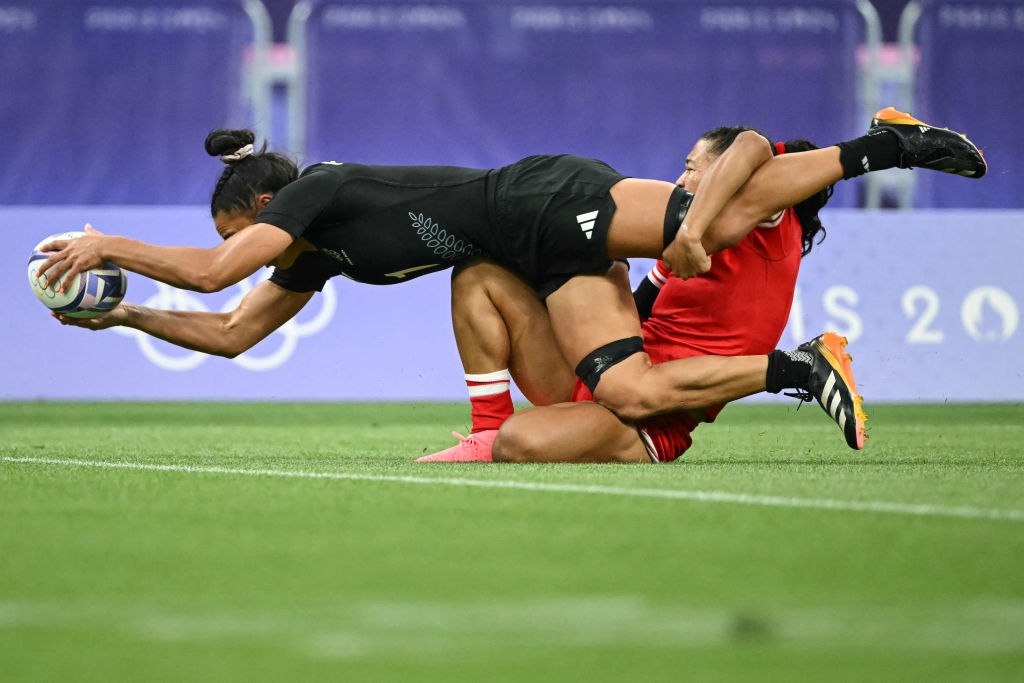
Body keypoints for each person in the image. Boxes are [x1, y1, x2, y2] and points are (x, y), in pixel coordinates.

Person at [38, 108, 985, 444]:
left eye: (238, 230)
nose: (246, 251)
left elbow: (210, 275)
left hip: (540, 198)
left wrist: (107, 246)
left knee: (719, 213)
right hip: (538, 257)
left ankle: (883, 146)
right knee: (625, 387)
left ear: (261, 210)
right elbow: (231, 328)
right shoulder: (311, 254)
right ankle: (798, 369)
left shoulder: (314, 193)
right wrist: (121, 321)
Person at [418, 127, 849, 463]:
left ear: (726, 174)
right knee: (479, 275)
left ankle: (797, 367)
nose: (680, 180)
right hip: (611, 377)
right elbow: (636, 309)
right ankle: (486, 430)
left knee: (520, 442)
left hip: (645, 420)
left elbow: (753, 147)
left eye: (693, 167)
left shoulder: (767, 223)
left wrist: (877, 148)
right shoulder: (682, 241)